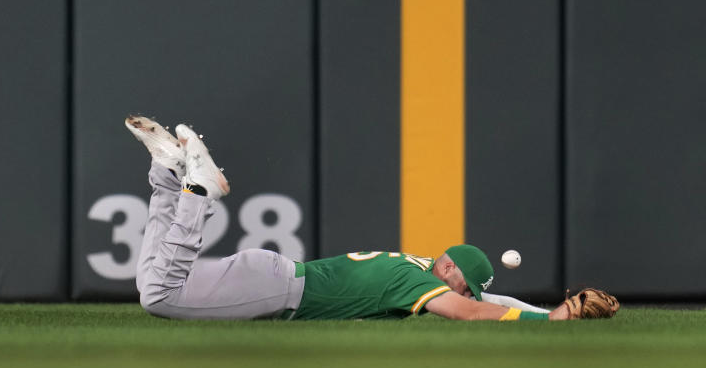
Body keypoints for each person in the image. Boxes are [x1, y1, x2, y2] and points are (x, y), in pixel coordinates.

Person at [125, 115, 619, 322]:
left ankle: (166, 173)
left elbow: (489, 298)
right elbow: (470, 311)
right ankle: (197, 190)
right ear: (448, 268)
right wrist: (545, 327)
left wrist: (549, 313)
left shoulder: (421, 267)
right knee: (161, 293)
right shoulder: (411, 281)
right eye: (463, 284)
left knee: (152, 279)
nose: (463, 294)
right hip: (278, 290)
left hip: (274, 275)